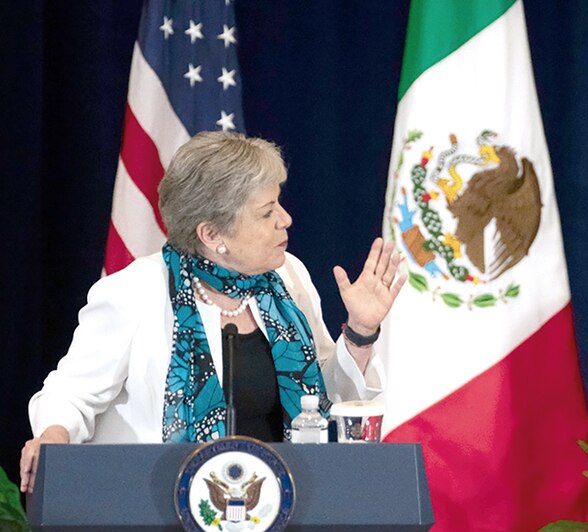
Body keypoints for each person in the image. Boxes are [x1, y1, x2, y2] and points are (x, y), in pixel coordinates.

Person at [20, 131, 406, 493]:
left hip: (280, 511)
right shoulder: (135, 292)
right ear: (212, 235)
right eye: (267, 211)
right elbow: (71, 393)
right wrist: (53, 436)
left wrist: (360, 330)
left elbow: (324, 397)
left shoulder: (288, 277)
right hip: (161, 517)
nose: (285, 219)